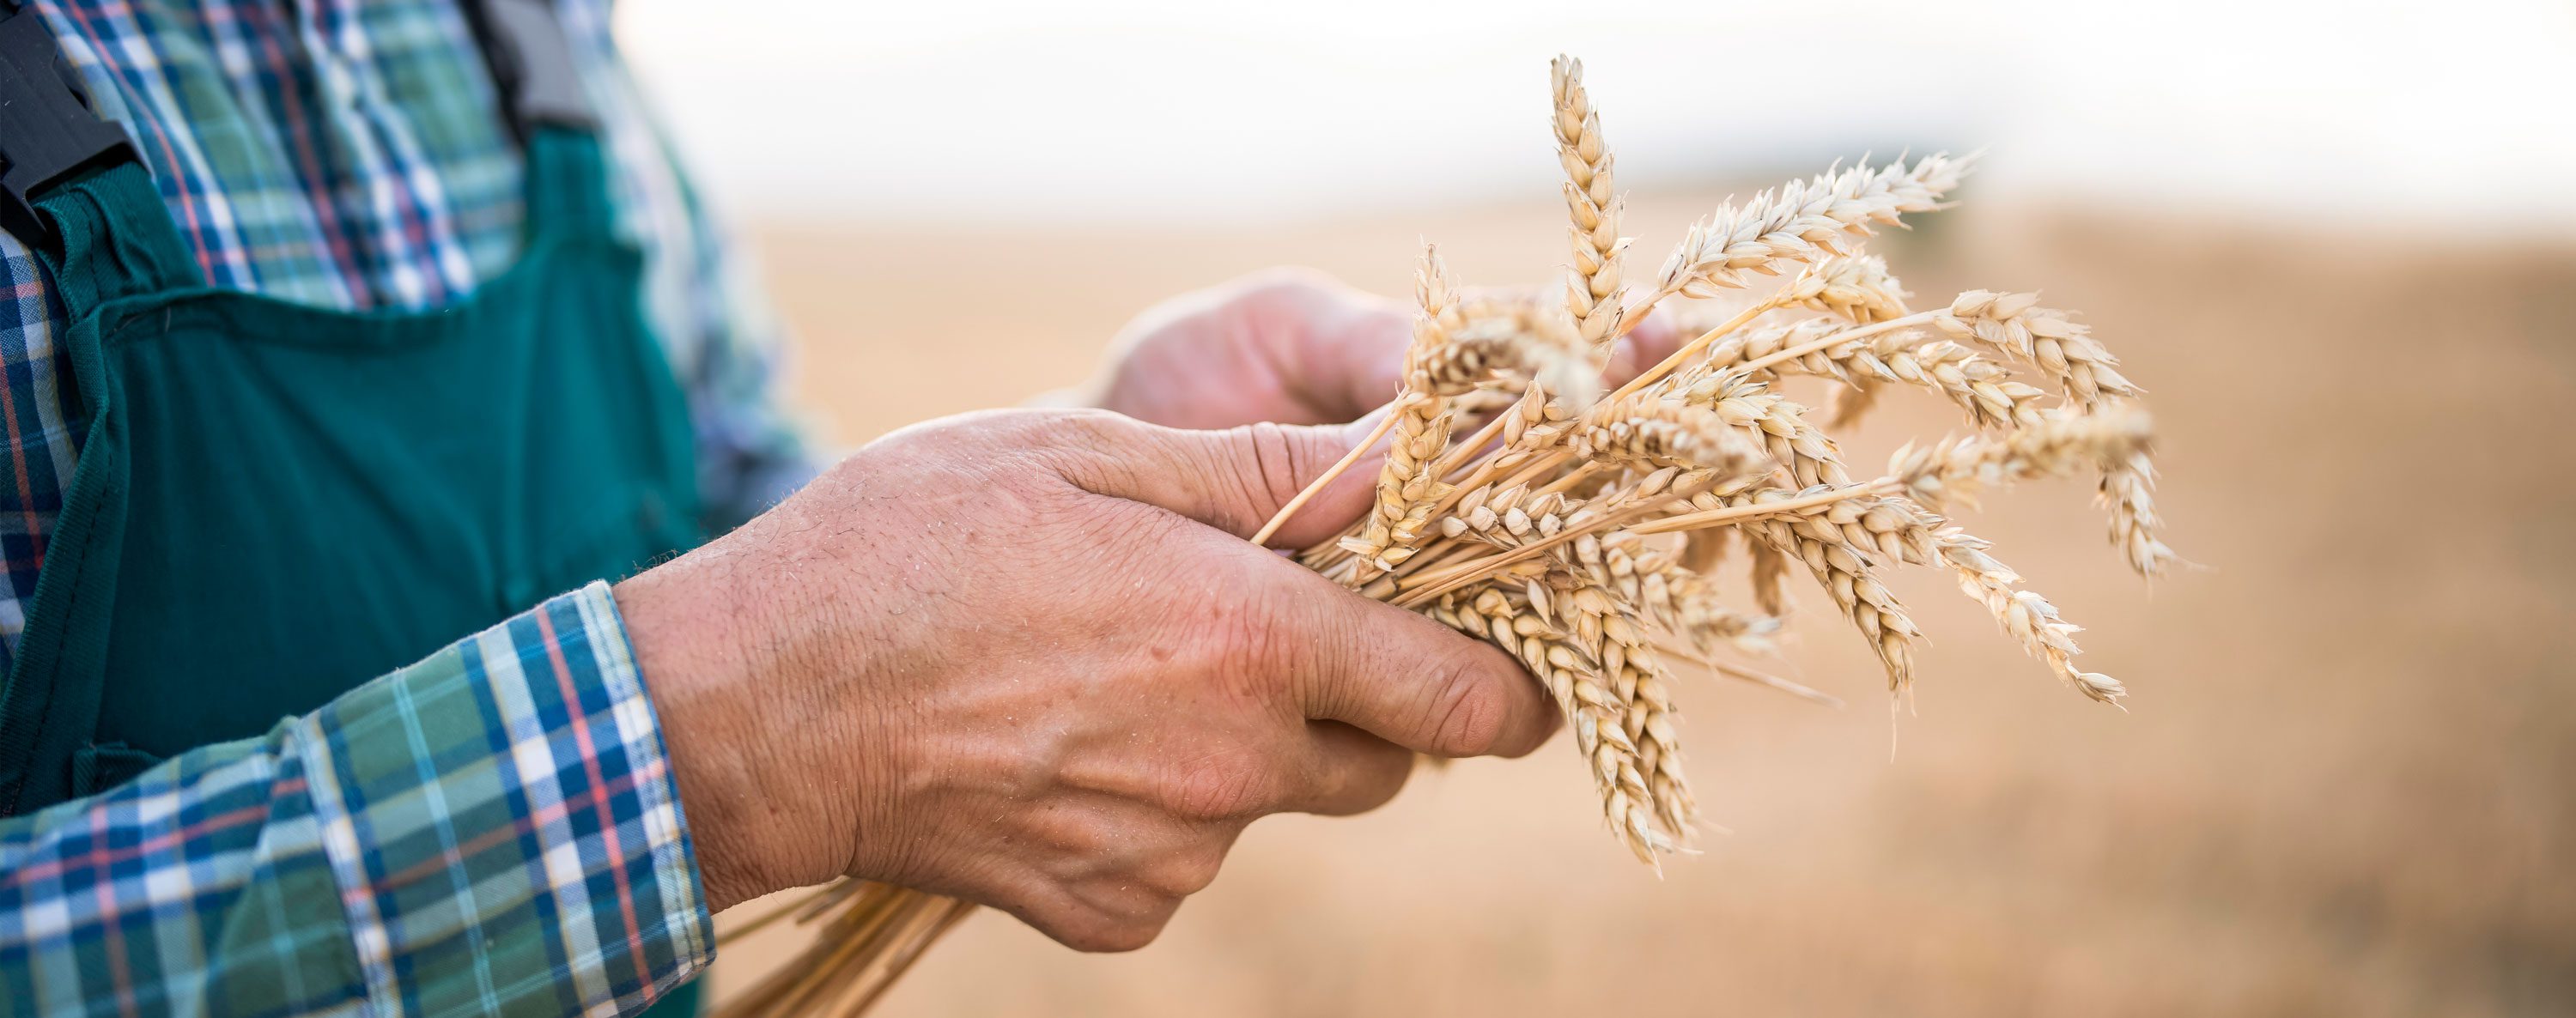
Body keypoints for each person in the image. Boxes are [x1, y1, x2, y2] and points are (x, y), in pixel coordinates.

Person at [0, 3, 1694, 1015]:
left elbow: (720, 516)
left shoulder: (522, 32)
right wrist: (735, 745)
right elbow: (759, 657)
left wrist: (1129, 476)